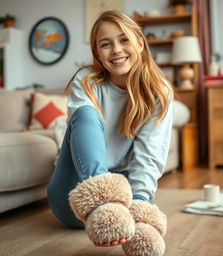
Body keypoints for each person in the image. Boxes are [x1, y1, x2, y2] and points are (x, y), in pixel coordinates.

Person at [47, 10, 173, 256]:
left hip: (125, 204)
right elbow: (83, 125)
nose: (116, 49)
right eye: (106, 44)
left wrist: (140, 204)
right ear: (97, 53)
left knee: (141, 204)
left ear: (139, 41)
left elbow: (149, 157)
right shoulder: (87, 81)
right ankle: (103, 200)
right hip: (75, 196)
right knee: (84, 114)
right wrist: (106, 202)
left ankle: (133, 212)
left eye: (124, 39)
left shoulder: (159, 92)